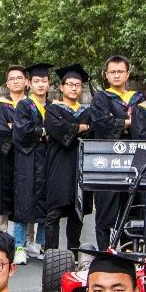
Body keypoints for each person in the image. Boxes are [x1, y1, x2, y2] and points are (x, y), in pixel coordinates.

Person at [88, 56, 143, 249]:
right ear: (106, 75)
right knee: (105, 211)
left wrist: (117, 121)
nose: (117, 75)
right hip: (108, 163)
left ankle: (127, 254)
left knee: (131, 212)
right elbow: (101, 123)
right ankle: (105, 254)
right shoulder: (100, 98)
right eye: (113, 72)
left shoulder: (139, 99)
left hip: (134, 161)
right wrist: (129, 122)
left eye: (120, 71)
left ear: (128, 74)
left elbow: (143, 125)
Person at [43, 65, 92, 252]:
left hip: (80, 166)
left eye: (77, 85)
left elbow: (93, 131)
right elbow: (57, 129)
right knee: (53, 213)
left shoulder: (87, 111)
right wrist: (81, 127)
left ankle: (74, 252)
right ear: (61, 87)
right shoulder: (52, 110)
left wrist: (74, 127)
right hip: (58, 167)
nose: (74, 88)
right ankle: (51, 252)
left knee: (77, 212)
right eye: (70, 84)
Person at [12, 63, 52, 258]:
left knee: (46, 203)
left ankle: (42, 245)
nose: (41, 85)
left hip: (48, 160)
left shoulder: (53, 107)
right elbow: (22, 131)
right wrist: (44, 132)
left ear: (49, 83)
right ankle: (19, 247)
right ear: (29, 83)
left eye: (44, 81)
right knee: (23, 201)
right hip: (27, 159)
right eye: (36, 81)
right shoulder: (24, 105)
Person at [0, 66, 27, 262]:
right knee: (3, 197)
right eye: (12, 78)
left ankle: (25, 243)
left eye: (19, 78)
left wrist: (15, 127)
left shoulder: (32, 105)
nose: (16, 81)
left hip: (28, 157)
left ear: (26, 82)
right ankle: (0, 239)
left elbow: (36, 130)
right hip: (6, 158)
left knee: (26, 197)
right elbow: (0, 131)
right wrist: (23, 130)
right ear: (7, 83)